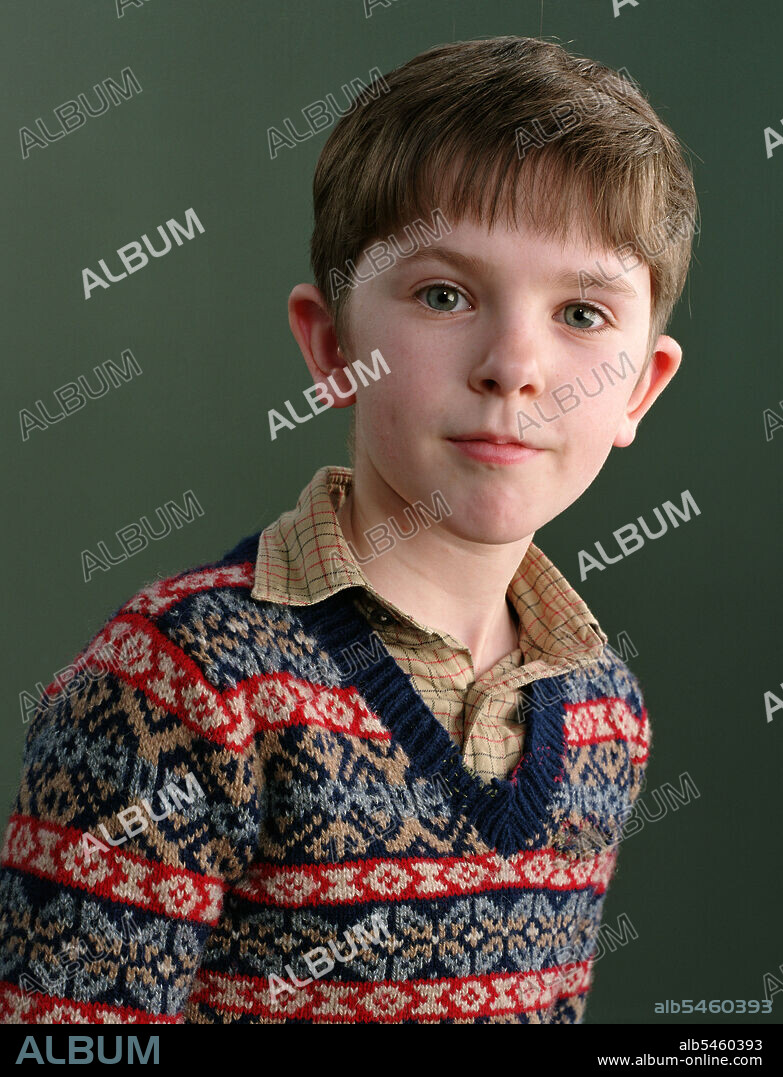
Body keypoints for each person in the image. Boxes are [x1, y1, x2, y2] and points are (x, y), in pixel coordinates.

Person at [0, 35, 697, 1024]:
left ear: (640, 389)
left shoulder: (605, 714)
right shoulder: (182, 682)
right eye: (444, 295)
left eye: (582, 314)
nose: (514, 367)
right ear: (332, 348)